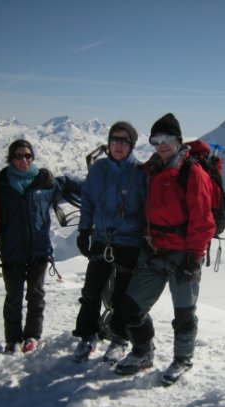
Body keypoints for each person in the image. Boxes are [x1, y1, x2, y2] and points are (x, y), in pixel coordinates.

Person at [113, 113, 216, 385]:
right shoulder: (152, 169)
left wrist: (194, 258)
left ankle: (183, 359)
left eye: (167, 139)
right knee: (130, 307)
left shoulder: (192, 172)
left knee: (183, 314)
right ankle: (143, 353)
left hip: (183, 254)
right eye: (156, 140)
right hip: (154, 250)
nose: (162, 144)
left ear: (179, 140)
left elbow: (204, 220)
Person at [71, 121, 147, 364]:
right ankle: (87, 336)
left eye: (124, 141)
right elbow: (88, 200)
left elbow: (147, 209)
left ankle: (119, 338)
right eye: (114, 139)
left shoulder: (140, 172)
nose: (118, 145)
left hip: (129, 242)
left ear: (132, 144)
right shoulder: (99, 169)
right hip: (102, 239)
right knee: (91, 291)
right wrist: (84, 231)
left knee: (121, 296)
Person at [0, 139, 81, 354]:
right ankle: (12, 339)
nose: (24, 160)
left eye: (28, 156)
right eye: (19, 156)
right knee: (13, 298)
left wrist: (99, 188)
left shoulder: (44, 183)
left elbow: (68, 183)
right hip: (12, 251)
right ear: (11, 158)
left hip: (39, 250)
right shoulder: (1, 184)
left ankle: (32, 336)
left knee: (36, 295)